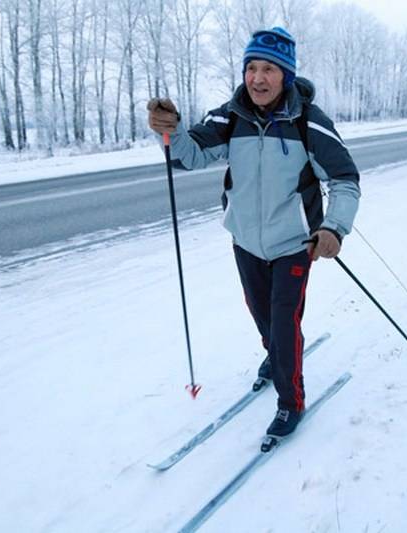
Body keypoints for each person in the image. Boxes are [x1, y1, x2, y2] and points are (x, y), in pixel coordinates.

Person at [147, 27, 360, 438]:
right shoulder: (231, 116)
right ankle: (274, 354)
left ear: (286, 74)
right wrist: (167, 131)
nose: (258, 79)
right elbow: (189, 157)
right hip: (245, 240)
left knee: (283, 319)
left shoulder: (308, 123)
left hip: (294, 244)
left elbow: (345, 179)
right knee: (263, 317)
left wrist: (334, 227)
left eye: (268, 69)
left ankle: (290, 401)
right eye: (251, 68)